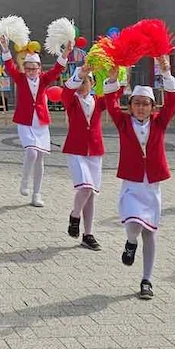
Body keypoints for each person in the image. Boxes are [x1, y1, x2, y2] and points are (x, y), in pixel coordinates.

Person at [106, 56, 175, 300]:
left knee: (150, 232)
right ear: (130, 106)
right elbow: (110, 102)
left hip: (152, 185)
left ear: (152, 107)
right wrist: (113, 80)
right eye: (136, 103)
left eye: (145, 104)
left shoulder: (159, 123)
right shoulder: (123, 123)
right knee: (133, 224)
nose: (140, 107)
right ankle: (130, 242)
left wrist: (167, 74)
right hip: (131, 183)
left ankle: (147, 280)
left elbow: (173, 102)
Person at [0, 38, 71, 207]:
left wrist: (66, 53)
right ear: (25, 68)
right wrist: (5, 48)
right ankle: (24, 181)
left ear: (39, 69)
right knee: (31, 152)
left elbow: (57, 69)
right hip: (25, 121)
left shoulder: (44, 80)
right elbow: (10, 67)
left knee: (40, 158)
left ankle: (36, 194)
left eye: (34, 68)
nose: (31, 71)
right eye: (28, 68)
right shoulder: (20, 78)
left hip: (40, 122)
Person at [59, 65, 121, 251]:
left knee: (91, 193)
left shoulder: (98, 100)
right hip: (76, 150)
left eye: (86, 81)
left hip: (94, 150)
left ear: (93, 83)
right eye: (80, 81)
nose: (82, 85)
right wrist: (79, 74)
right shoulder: (70, 100)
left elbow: (113, 98)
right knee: (85, 188)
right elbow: (66, 91)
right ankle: (74, 216)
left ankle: (88, 234)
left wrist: (112, 79)